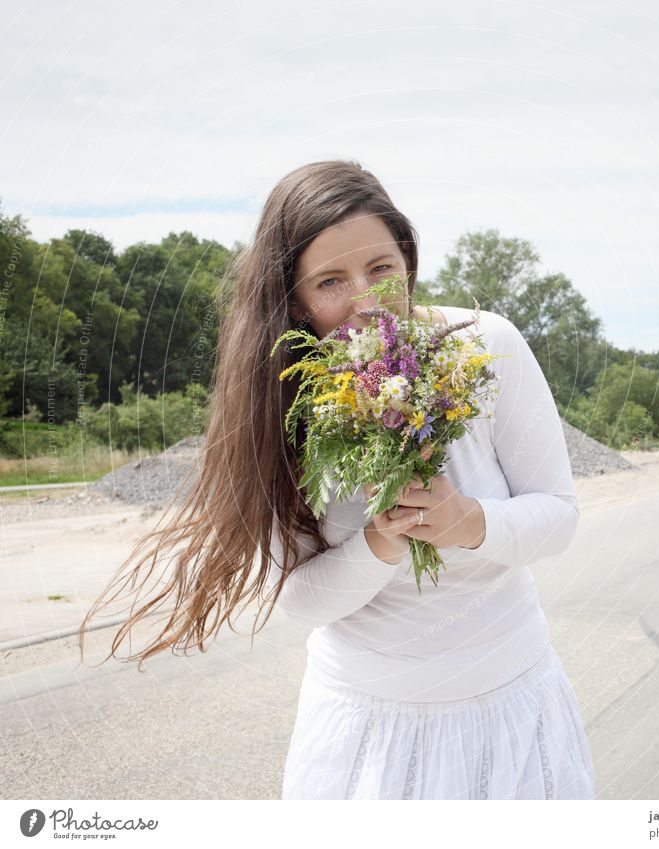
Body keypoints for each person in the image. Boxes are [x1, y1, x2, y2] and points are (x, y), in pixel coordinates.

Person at [79, 158, 596, 801]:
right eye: (330, 281)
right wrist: (379, 545)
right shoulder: (276, 404)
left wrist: (471, 523)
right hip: (370, 734)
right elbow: (300, 598)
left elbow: (559, 516)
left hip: (511, 710)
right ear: (293, 299)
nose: (367, 301)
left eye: (382, 269)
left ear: (408, 259)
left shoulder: (487, 346)